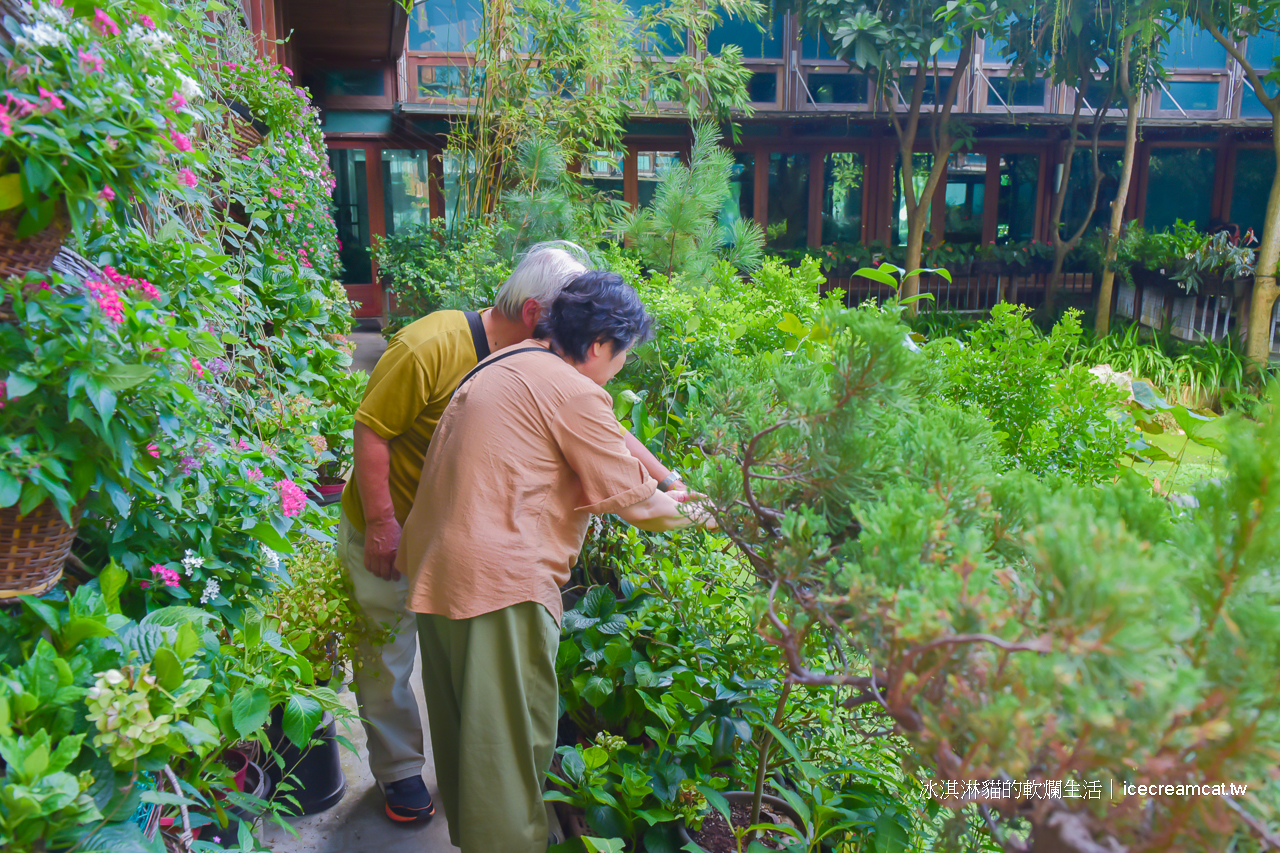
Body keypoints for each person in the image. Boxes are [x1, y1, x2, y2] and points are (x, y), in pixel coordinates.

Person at [338, 245, 687, 824]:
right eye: (622, 352)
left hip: (441, 544)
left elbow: (603, 425)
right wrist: (381, 525)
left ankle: (477, 809)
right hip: (434, 544)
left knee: (465, 713)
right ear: (544, 315)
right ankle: (425, 788)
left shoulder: (529, 357)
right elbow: (371, 430)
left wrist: (666, 475)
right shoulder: (441, 347)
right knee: (430, 689)